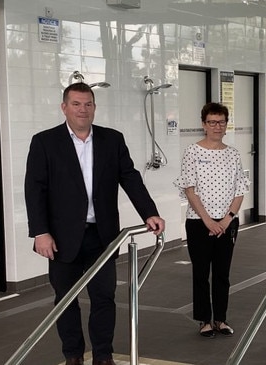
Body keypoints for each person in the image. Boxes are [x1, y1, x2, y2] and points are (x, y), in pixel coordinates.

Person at [24, 82, 165, 365]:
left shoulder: (111, 139)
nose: (82, 109)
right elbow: (34, 189)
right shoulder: (45, 142)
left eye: (88, 104)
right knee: (65, 301)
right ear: (64, 107)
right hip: (61, 237)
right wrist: (40, 232)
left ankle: (103, 356)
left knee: (104, 298)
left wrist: (149, 212)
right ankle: (73, 355)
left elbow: (130, 177)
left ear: (95, 107)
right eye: (76, 104)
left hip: (103, 236)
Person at [174, 102, 249, 338]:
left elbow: (240, 190)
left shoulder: (233, 154)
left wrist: (227, 220)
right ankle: (204, 320)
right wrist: (207, 220)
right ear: (204, 125)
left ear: (226, 125)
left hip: (227, 223)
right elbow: (189, 189)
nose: (217, 126)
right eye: (212, 122)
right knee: (201, 272)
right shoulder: (193, 152)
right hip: (199, 222)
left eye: (221, 122)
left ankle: (220, 319)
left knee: (222, 273)